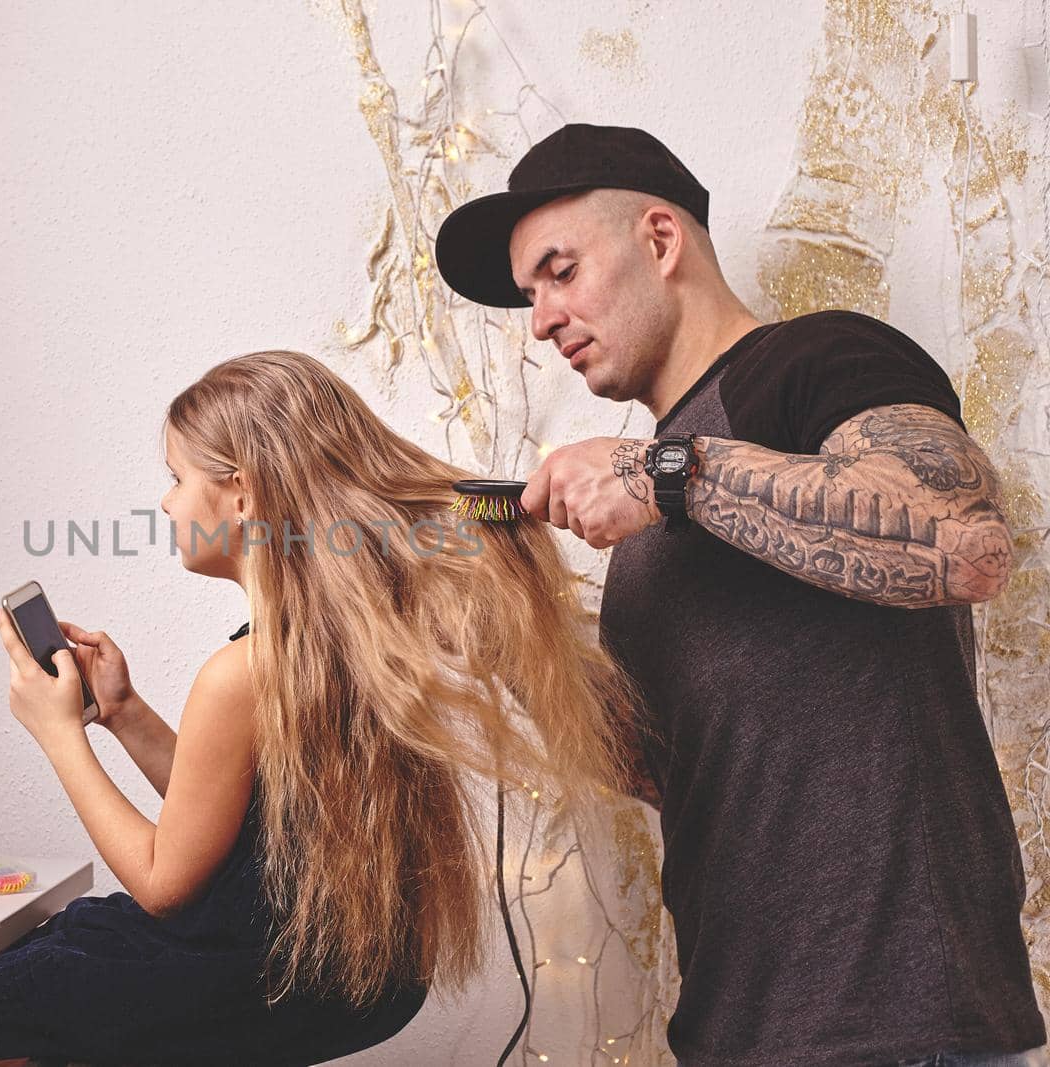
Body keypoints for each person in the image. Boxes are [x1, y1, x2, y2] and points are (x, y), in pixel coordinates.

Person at [434, 121, 1044, 1066]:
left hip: (899, 1019)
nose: (543, 319)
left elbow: (966, 548)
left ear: (661, 240)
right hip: (736, 1026)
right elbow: (666, 771)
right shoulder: (644, 550)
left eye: (560, 271)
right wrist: (515, 640)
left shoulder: (812, 362)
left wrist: (666, 474)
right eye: (529, 296)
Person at [0, 349, 645, 1066]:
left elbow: (163, 881)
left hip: (261, 968)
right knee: (41, 963)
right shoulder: (338, 645)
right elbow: (244, 822)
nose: (164, 499)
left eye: (177, 476)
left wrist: (59, 736)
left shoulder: (241, 672)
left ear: (243, 493)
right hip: (348, 971)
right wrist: (123, 713)